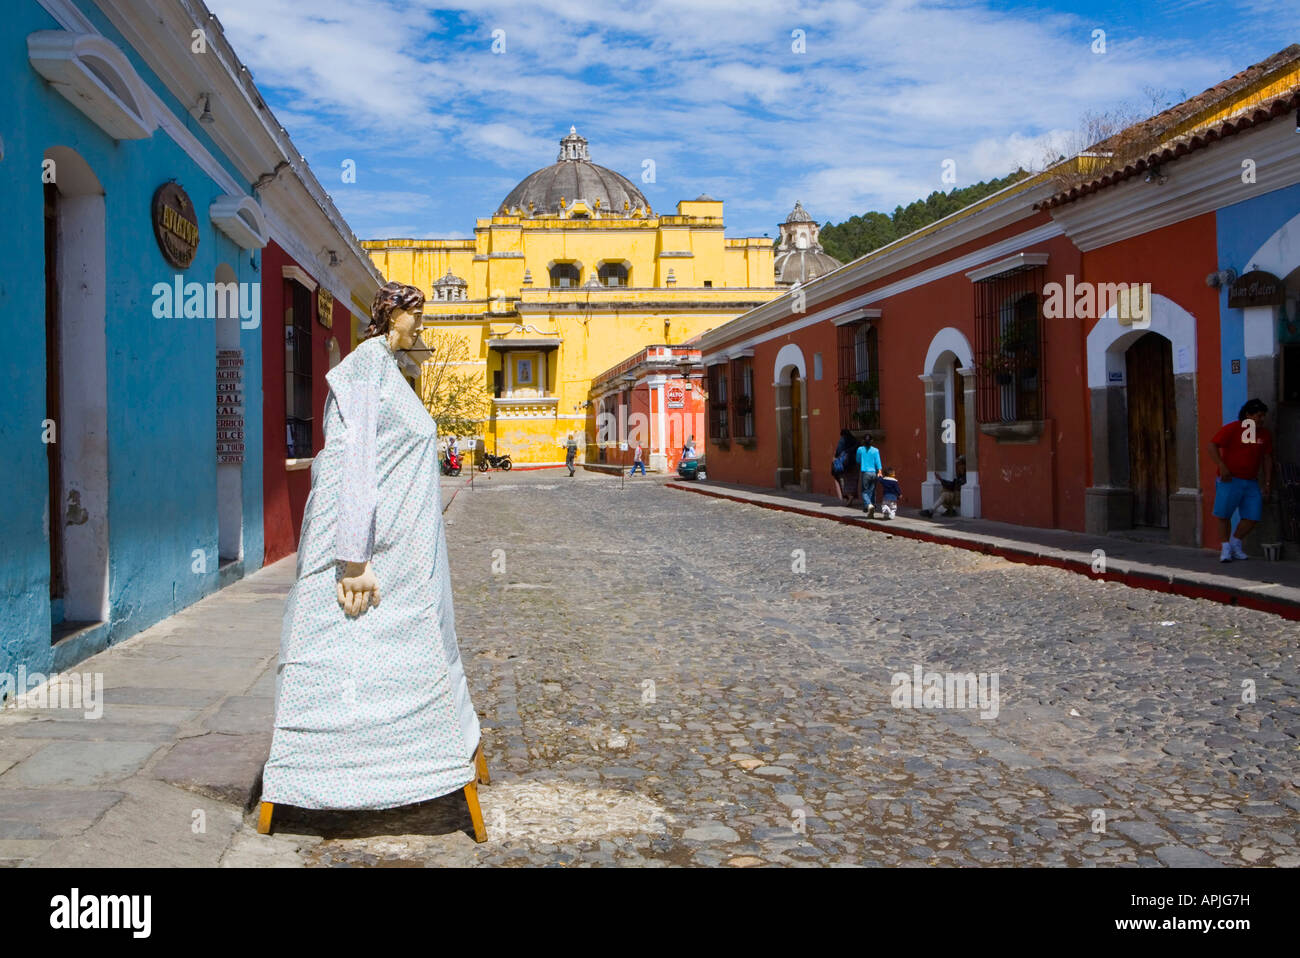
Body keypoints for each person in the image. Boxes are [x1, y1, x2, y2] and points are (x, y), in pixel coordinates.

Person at [261, 280, 481, 813]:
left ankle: (431, 759)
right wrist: (355, 559)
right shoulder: (364, 366)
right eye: (416, 313)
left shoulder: (389, 370)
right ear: (392, 314)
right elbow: (353, 462)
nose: (421, 323)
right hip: (378, 557)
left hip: (410, 557)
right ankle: (335, 778)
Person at [1209, 398, 1274, 562]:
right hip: (1230, 479)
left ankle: (1235, 543)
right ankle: (1225, 548)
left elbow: (1267, 458)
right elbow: (1212, 445)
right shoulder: (1234, 428)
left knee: (1253, 516)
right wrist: (1221, 466)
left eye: (1263, 416)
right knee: (1224, 515)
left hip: (1251, 481)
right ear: (1248, 415)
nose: (1262, 419)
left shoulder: (1264, 434)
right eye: (1259, 416)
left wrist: (1267, 483)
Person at [856, 433, 883, 517]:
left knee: (864, 492)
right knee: (872, 491)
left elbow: (858, 460)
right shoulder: (875, 450)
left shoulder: (860, 449)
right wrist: (880, 472)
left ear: (863, 441)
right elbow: (878, 462)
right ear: (872, 441)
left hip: (865, 473)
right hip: (874, 473)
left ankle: (868, 505)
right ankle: (871, 510)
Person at [831, 429, 852, 503]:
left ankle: (847, 496)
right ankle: (850, 495)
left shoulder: (842, 440)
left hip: (843, 463)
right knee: (851, 480)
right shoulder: (854, 440)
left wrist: (835, 458)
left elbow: (838, 451)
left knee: (841, 479)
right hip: (852, 463)